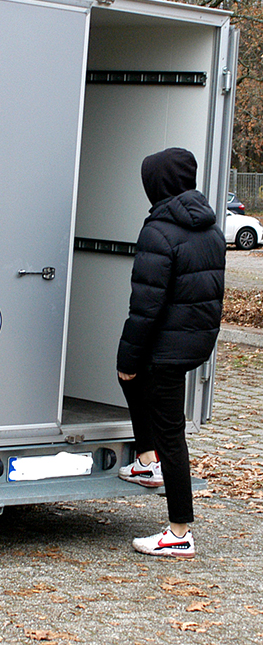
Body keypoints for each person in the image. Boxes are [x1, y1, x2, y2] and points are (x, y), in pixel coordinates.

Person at [116, 147, 225, 559]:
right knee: (135, 382)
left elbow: (146, 306)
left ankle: (179, 531)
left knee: (171, 436)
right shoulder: (211, 230)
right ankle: (146, 462)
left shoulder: (159, 231)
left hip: (165, 346)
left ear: (157, 183)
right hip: (192, 342)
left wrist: (129, 359)